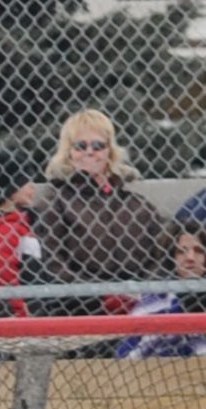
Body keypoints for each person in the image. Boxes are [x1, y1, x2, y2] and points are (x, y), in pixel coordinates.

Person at [29, 110, 170, 310]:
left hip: (139, 296)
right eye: (80, 146)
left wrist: (143, 290)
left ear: (109, 152)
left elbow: (162, 253)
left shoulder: (135, 203)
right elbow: (53, 262)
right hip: (82, 302)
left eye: (98, 146)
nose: (89, 152)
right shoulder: (58, 201)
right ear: (69, 153)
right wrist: (96, 294)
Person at [117, 225, 206, 356]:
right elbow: (130, 353)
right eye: (181, 251)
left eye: (199, 251)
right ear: (172, 258)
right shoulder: (157, 298)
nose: (190, 257)